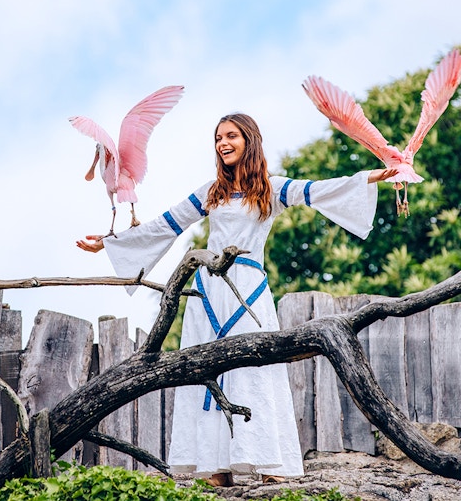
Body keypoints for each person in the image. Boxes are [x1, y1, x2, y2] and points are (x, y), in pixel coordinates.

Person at [77, 112, 397, 486]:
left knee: (254, 369)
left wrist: (373, 177)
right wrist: (109, 242)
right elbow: (165, 224)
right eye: (218, 138)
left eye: (231, 136)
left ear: (249, 140)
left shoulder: (272, 189)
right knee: (202, 371)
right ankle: (214, 466)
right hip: (208, 293)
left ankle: (266, 462)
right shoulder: (210, 192)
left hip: (249, 289)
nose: (223, 143)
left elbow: (318, 190)